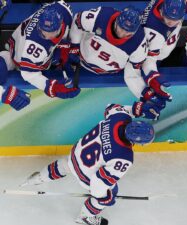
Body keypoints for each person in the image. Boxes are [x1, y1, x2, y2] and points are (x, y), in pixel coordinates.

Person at [21, 103, 157, 225]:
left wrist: (135, 109)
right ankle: (85, 217)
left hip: (76, 154)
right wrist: (104, 198)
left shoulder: (120, 117)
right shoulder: (124, 157)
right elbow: (98, 182)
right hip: (85, 174)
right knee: (109, 192)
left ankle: (37, 178)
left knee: (65, 165)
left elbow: (110, 106)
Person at [68, 6, 166, 113]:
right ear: (117, 21)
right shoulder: (101, 16)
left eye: (128, 32)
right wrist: (74, 46)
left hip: (108, 73)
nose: (122, 33)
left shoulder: (139, 44)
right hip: (80, 62)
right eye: (121, 28)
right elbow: (78, 21)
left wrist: (145, 93)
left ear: (135, 31)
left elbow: (132, 75)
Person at [0, 1, 80, 99]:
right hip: (20, 55)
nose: (46, 35)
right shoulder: (35, 46)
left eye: (51, 32)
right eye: (43, 31)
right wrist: (53, 88)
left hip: (23, 42)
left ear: (60, 25)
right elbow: (28, 74)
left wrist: (72, 46)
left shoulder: (63, 9)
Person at [141, 0, 187, 104]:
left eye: (175, 19)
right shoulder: (154, 32)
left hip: (167, 46)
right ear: (162, 11)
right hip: (156, 56)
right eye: (168, 17)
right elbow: (148, 59)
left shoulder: (171, 5)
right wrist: (153, 76)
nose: (171, 22)